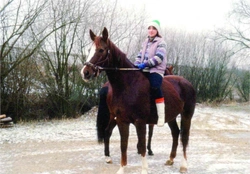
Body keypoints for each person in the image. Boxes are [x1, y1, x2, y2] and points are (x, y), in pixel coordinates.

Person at [134, 20, 167, 127]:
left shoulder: (161, 42)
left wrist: (145, 64)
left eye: (154, 28)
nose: (151, 30)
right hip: (144, 70)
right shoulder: (145, 42)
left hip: (156, 70)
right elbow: (139, 56)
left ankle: (161, 116)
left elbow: (159, 58)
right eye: (149, 28)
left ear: (157, 31)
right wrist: (136, 65)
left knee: (155, 86)